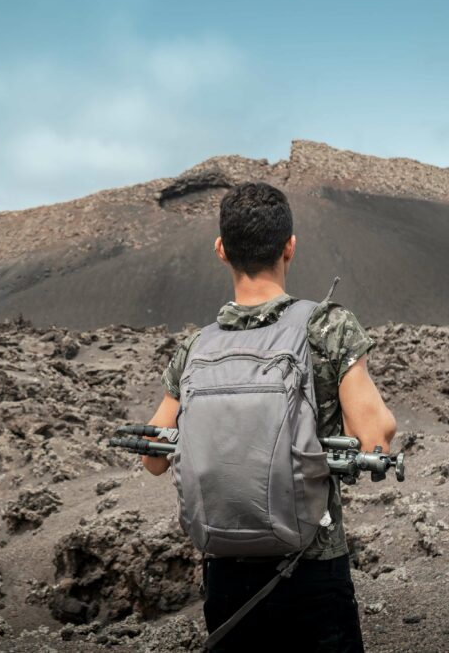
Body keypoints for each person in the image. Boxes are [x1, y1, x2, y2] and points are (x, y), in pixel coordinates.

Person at [142, 181, 397, 652]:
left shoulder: (196, 348)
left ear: (221, 250)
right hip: (313, 563)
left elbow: (155, 458)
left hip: (226, 573)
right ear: (290, 247)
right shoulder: (326, 325)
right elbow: (373, 437)